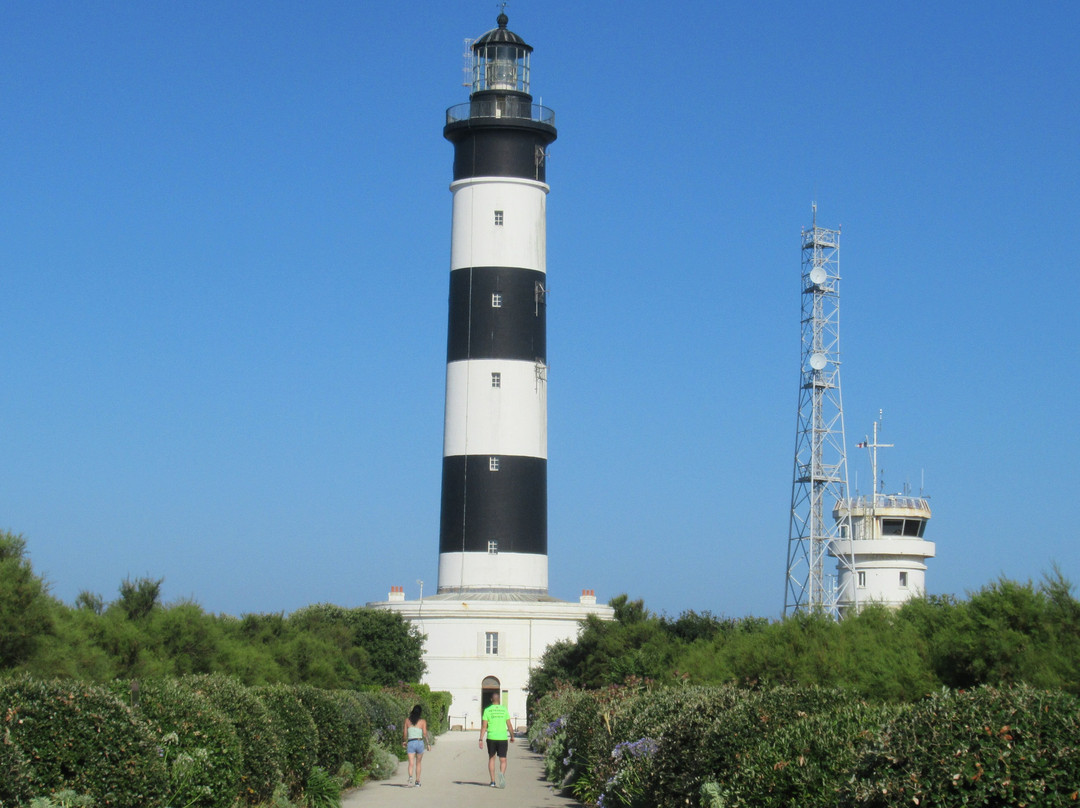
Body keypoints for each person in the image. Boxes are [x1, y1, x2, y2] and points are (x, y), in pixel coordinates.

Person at [478, 692, 515, 788]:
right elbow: (509, 725)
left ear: (491, 699)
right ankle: (501, 777)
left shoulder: (487, 710)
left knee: (491, 758)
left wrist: (481, 739)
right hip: (502, 737)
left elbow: (484, 726)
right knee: (503, 759)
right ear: (499, 700)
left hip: (491, 737)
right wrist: (512, 736)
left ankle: (493, 781)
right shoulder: (504, 710)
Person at [402, 704, 430, 787]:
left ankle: (410, 777)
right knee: (418, 763)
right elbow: (425, 734)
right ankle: (417, 781)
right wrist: (428, 744)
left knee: (411, 763)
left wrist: (404, 741)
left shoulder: (407, 721)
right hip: (419, 742)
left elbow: (405, 733)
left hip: (410, 742)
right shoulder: (422, 722)